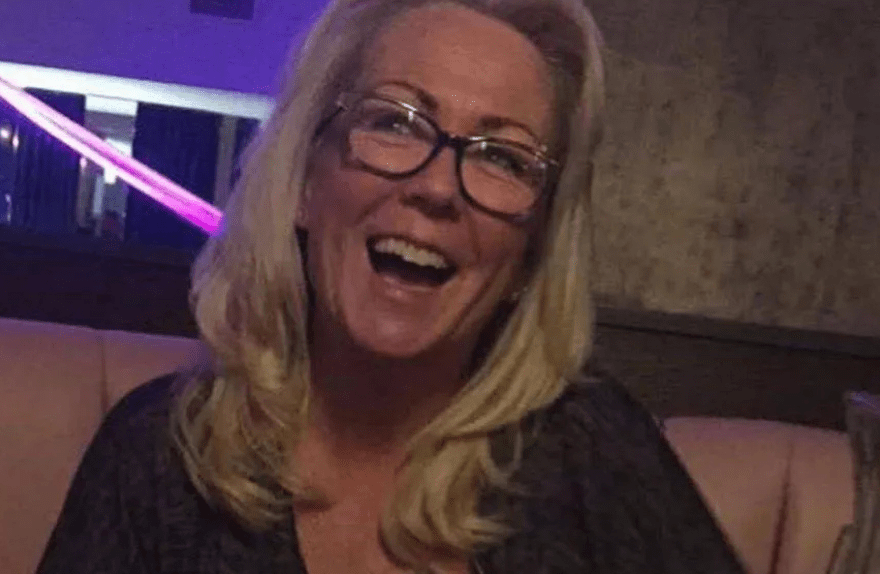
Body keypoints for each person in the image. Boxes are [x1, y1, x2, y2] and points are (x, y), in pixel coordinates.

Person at [37, 0, 748, 572]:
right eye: (396, 122)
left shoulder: (594, 449)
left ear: (528, 256)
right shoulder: (156, 458)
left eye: (503, 158)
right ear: (304, 183)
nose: (438, 187)